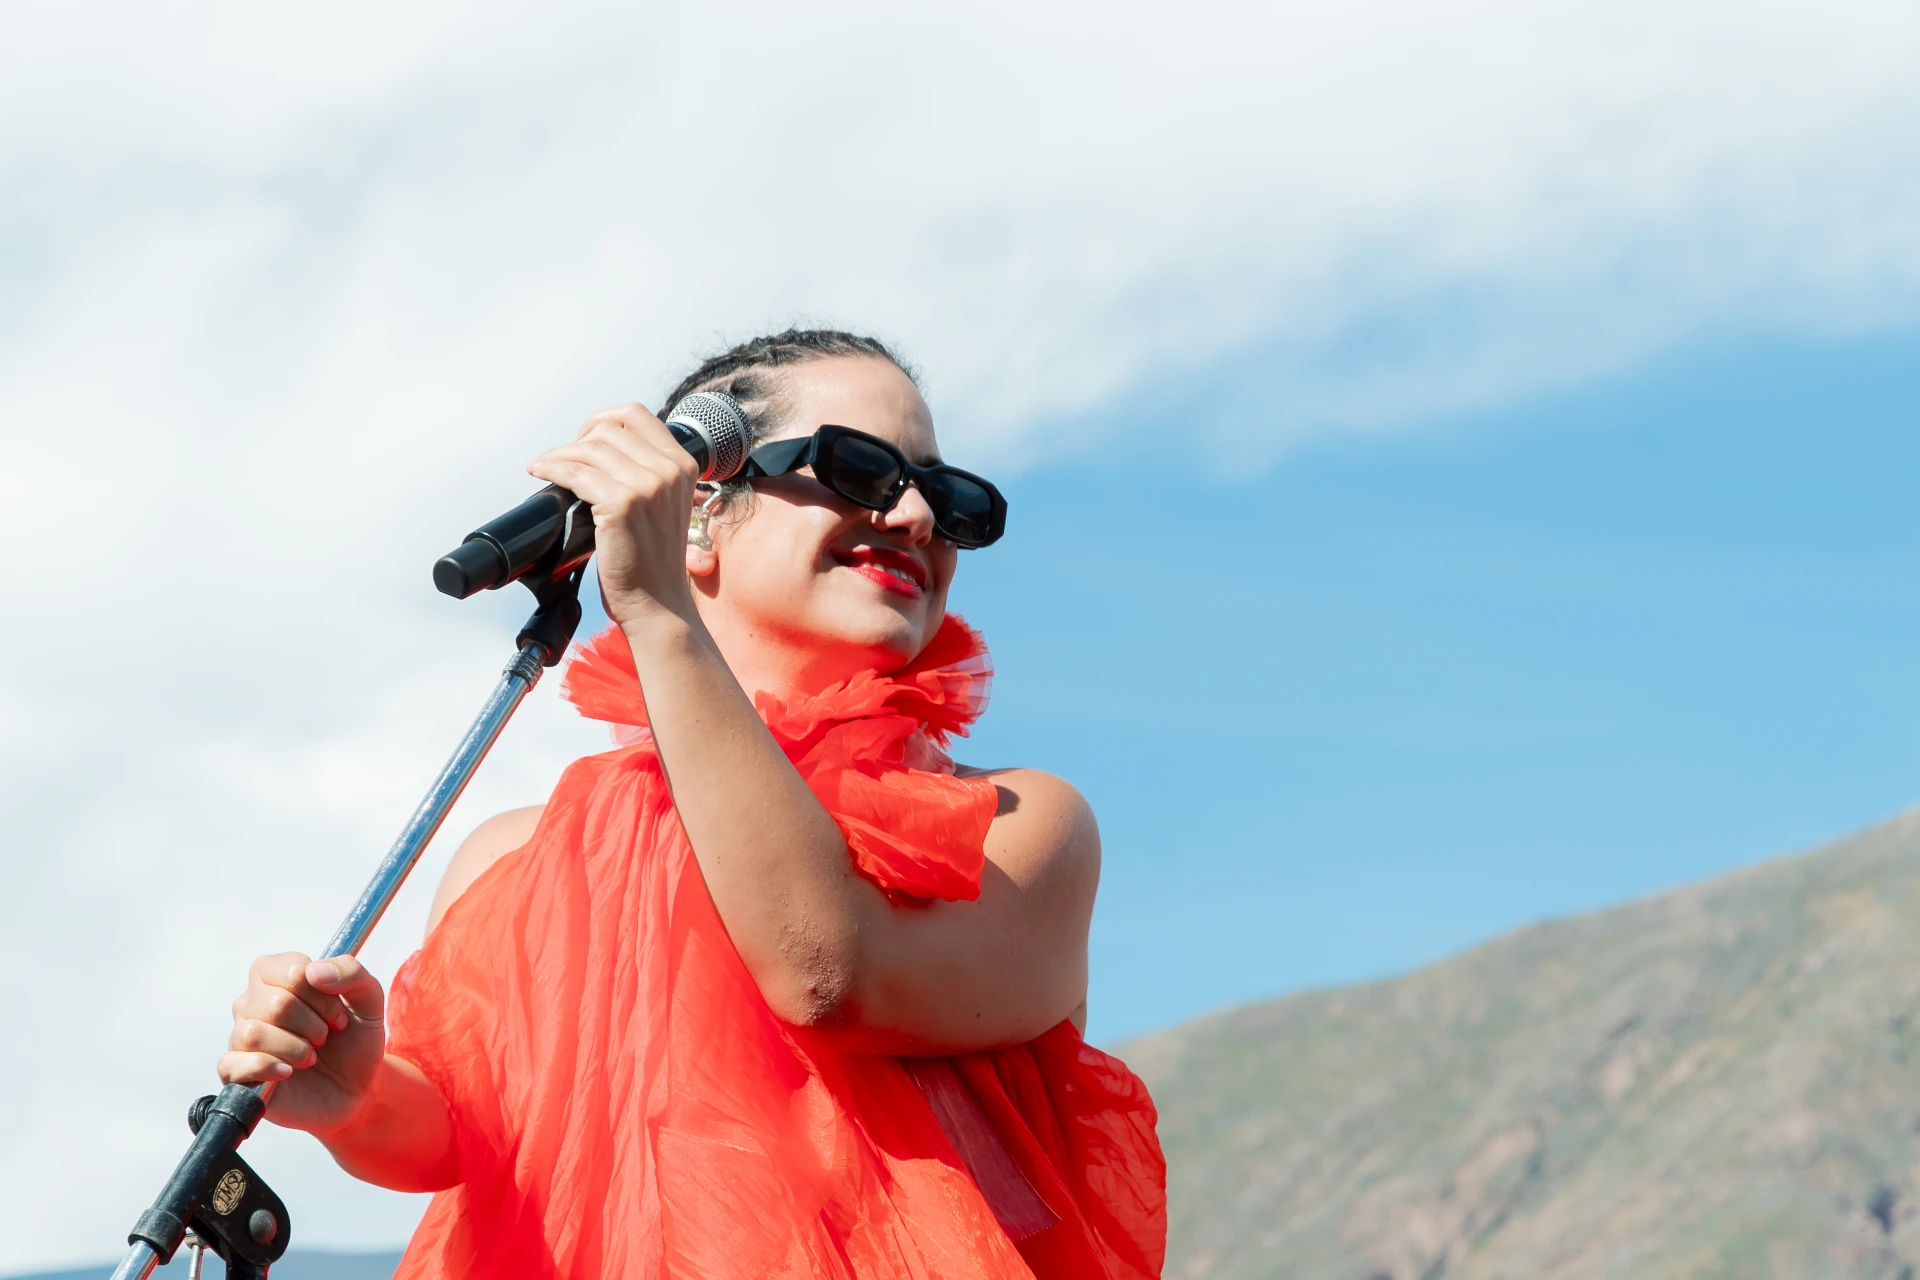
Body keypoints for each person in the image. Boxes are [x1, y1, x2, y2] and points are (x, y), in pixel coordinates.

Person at [219, 330, 1166, 1279]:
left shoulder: (1015, 826)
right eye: (859, 468)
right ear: (701, 513)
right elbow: (464, 1135)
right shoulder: (516, 857)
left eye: (949, 496)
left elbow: (831, 974)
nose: (917, 514)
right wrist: (357, 1095)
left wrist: (661, 614)